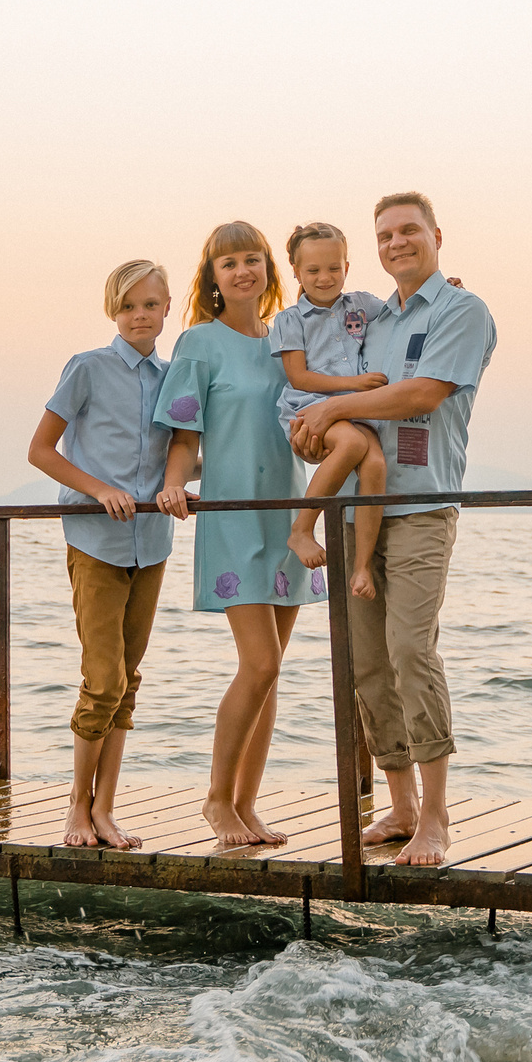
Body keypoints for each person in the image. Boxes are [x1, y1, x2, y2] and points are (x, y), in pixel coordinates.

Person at [290, 191, 496, 867]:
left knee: (412, 650)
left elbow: (423, 393)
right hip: (357, 509)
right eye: (385, 235)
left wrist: (335, 405)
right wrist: (316, 425)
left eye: (409, 230)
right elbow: (318, 360)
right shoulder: (371, 320)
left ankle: (437, 819)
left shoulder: (463, 311)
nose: (397, 242)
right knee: (368, 667)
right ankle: (401, 805)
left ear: (437, 234)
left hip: (423, 507)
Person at [154, 221, 323, 847]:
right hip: (231, 516)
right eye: (229, 264)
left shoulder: (291, 337)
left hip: (289, 517)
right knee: (260, 661)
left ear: (268, 271)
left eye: (253, 259)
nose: (243, 271)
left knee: (270, 671)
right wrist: (174, 484)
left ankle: (248, 806)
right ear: (214, 278)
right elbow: (184, 437)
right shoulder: (199, 343)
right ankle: (217, 800)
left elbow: (356, 329)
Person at [25, 259, 176, 851]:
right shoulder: (87, 367)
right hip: (95, 541)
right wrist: (100, 489)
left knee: (127, 680)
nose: (140, 315)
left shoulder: (174, 377)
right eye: (129, 305)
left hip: (154, 542)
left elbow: (184, 451)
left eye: (151, 304)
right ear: (113, 310)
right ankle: (74, 807)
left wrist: (175, 486)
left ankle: (106, 812)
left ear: (167, 308)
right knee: (103, 677)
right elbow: (40, 449)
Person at [270, 221, 390, 601]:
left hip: (356, 410)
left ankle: (361, 567)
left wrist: (444, 293)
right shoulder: (289, 320)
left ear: (347, 267)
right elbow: (299, 376)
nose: (325, 278)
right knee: (353, 445)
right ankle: (302, 529)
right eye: (313, 271)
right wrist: (353, 385)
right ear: (295, 271)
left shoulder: (363, 305)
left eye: (334, 268)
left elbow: (405, 313)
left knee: (375, 466)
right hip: (309, 408)